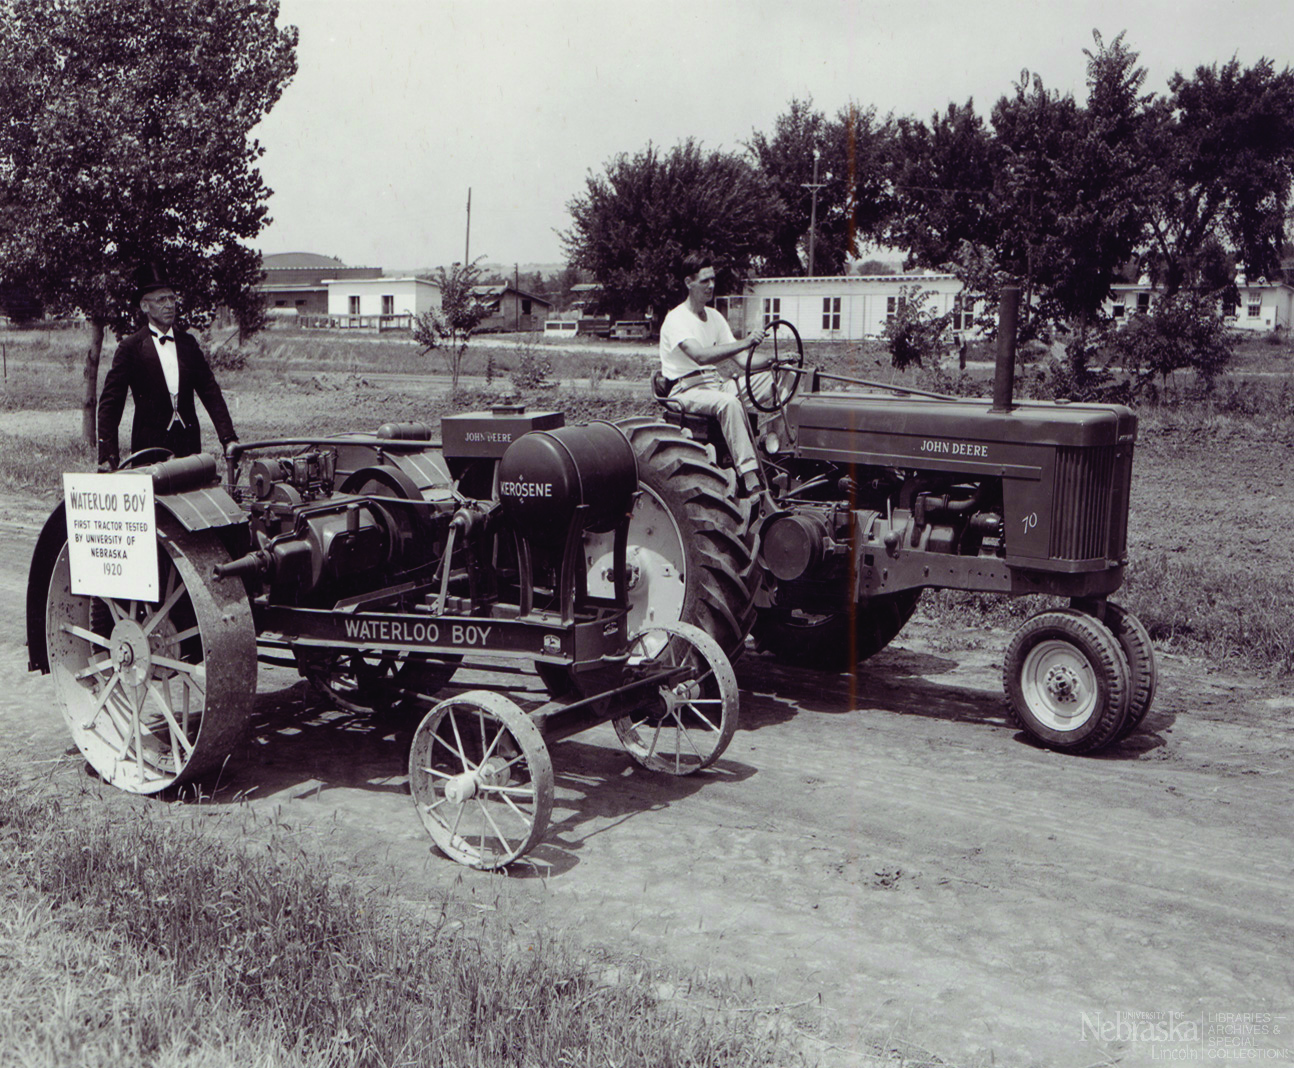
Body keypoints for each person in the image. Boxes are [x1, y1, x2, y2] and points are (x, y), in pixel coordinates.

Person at [97, 264, 238, 472]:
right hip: (149, 450)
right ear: (145, 306)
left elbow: (211, 392)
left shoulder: (188, 344)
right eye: (161, 300)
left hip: (188, 448)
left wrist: (228, 438)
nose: (169, 305)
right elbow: (110, 404)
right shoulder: (130, 348)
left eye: (172, 298)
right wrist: (107, 456)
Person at [658, 254, 774, 496]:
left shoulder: (715, 317)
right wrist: (746, 342)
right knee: (729, 403)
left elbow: (743, 361)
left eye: (713, 279)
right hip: (686, 390)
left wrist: (776, 361)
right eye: (704, 281)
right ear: (689, 282)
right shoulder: (676, 319)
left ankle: (776, 449)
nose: (711, 285)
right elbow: (700, 356)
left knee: (777, 378)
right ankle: (751, 478)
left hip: (715, 385)